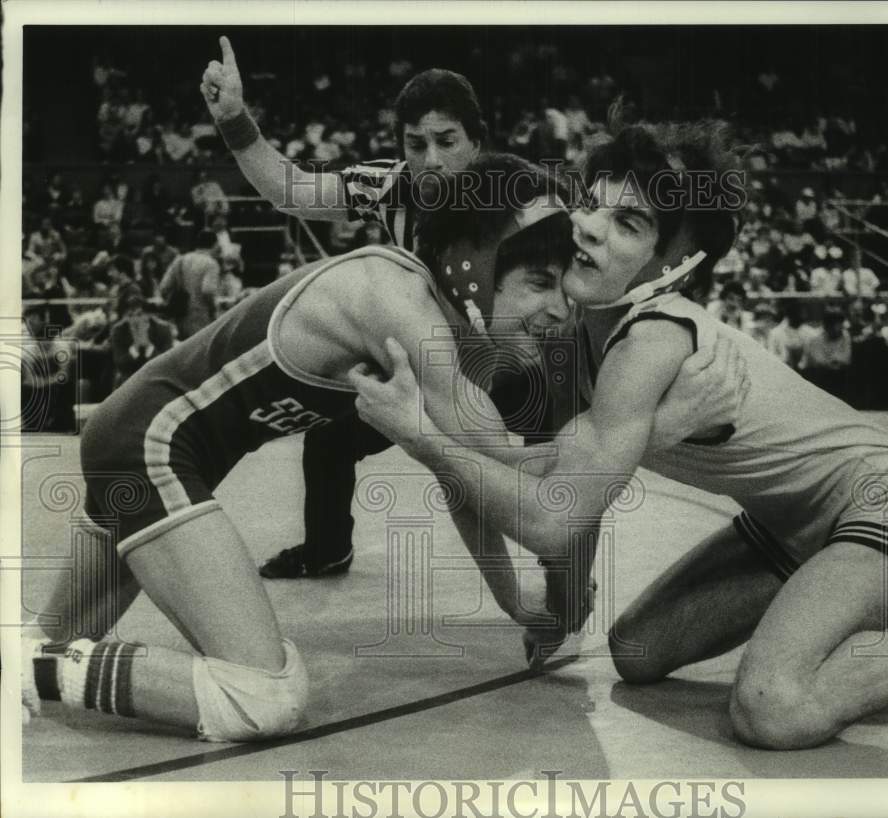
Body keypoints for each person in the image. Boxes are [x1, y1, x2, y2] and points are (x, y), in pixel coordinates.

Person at [22, 154, 742, 741]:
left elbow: (462, 476)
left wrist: (511, 598)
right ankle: (41, 667)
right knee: (263, 695)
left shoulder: (432, 312)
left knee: (31, 647)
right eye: (539, 282)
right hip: (149, 448)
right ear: (474, 263)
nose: (558, 308)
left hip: (143, 446)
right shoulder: (394, 303)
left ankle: (33, 663)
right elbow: (499, 457)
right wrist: (654, 421)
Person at [352, 121, 888, 750]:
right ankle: (844, 637)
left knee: (772, 710)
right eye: (590, 205)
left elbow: (554, 518)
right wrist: (562, 610)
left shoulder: (653, 340)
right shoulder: (576, 329)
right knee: (636, 653)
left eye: (628, 224)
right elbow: (570, 490)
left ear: (669, 263)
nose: (587, 227)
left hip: (886, 501)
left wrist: (422, 438)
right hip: (787, 523)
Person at [201, 37, 484, 579]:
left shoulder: (514, 197)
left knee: (512, 458)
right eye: (416, 143)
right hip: (416, 366)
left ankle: (560, 561)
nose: (431, 160)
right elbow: (293, 190)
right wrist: (235, 120)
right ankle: (328, 548)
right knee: (329, 440)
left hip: (493, 364)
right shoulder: (390, 186)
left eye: (446, 141)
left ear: (477, 142)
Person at [159, 229, 221, 340]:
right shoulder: (211, 263)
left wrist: (174, 302)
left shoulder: (180, 259)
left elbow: (164, 287)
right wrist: (213, 309)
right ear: (215, 244)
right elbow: (208, 290)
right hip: (202, 316)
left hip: (181, 316)